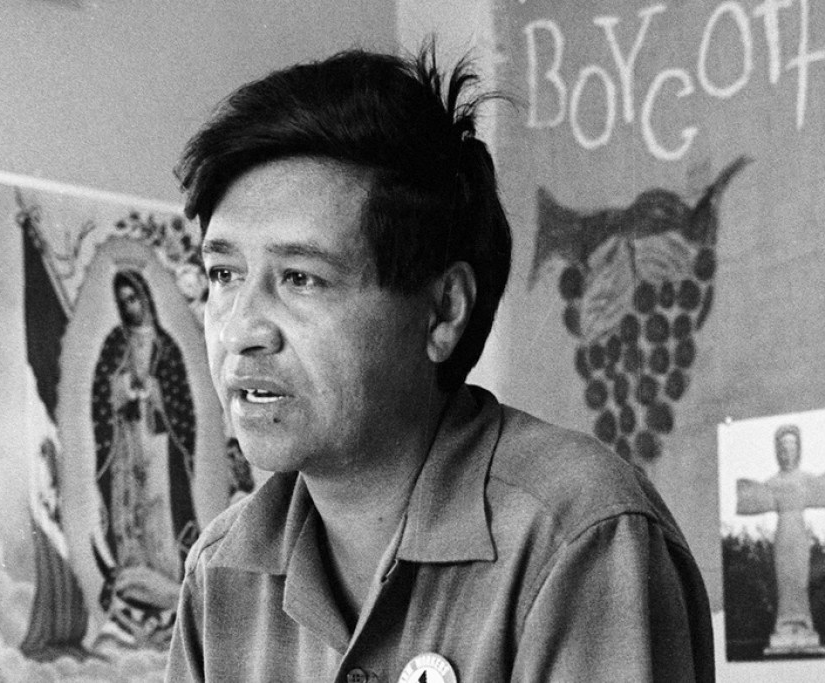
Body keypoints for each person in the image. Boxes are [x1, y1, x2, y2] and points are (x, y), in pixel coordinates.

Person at [166, 43, 714, 681]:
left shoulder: (579, 535)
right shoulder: (220, 571)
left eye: (301, 278)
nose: (240, 330)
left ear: (443, 311)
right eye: (224, 274)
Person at [91, 268, 198, 648]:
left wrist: (152, 390)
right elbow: (102, 393)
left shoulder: (165, 347)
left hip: (158, 443)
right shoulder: (114, 344)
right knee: (130, 508)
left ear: (146, 298)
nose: (129, 307)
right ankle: (133, 586)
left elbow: (181, 403)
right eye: (122, 302)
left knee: (159, 511)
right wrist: (122, 387)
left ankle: (165, 590)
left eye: (133, 298)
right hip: (127, 441)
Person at [736, 424, 825, 656]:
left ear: (798, 450)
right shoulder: (773, 482)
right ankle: (784, 623)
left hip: (799, 535)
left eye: (792, 448)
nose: (787, 453)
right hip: (782, 535)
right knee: (784, 580)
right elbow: (750, 496)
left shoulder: (806, 479)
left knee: (800, 580)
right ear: (778, 452)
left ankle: (804, 622)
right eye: (783, 449)